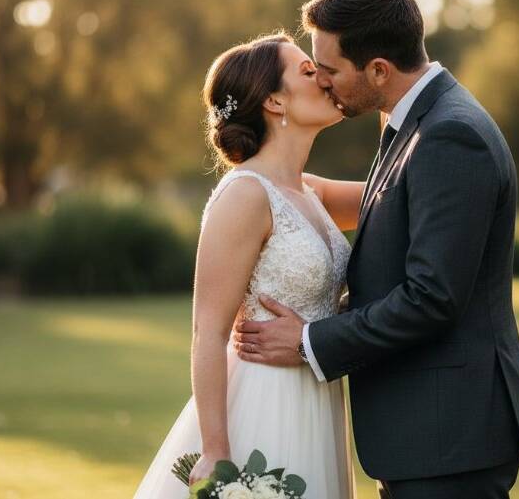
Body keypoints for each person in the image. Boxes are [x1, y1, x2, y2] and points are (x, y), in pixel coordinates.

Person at [234, 0, 519, 499]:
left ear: (378, 69)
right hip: (428, 433)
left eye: (329, 70)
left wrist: (309, 341)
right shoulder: (411, 124)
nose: (323, 82)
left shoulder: (449, 135)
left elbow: (432, 297)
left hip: (448, 437)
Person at [132, 31, 357, 499]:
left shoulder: (309, 192)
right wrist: (216, 449)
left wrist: (388, 102)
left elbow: (396, 191)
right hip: (264, 402)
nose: (326, 79)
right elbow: (207, 333)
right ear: (275, 102)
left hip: (316, 398)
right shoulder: (245, 195)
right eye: (309, 71)